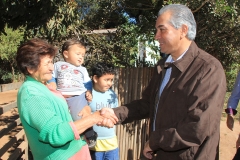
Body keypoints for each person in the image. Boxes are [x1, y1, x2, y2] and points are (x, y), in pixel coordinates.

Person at [100, 4, 226, 160]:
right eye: (156, 30)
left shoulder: (208, 69)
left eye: (162, 29)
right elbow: (147, 104)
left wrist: (155, 142)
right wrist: (116, 113)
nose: (156, 36)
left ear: (183, 30)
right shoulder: (163, 65)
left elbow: (197, 127)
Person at [15, 38, 112, 160]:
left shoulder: (45, 86)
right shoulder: (31, 93)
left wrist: (85, 108)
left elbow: (67, 117)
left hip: (77, 150)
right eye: (47, 64)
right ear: (30, 68)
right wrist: (94, 118)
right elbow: (57, 134)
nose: (51, 67)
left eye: (51, 62)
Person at [48, 38, 97, 148]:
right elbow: (52, 77)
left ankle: (90, 135)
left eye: (83, 55)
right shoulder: (57, 65)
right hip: (61, 97)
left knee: (81, 117)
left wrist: (89, 91)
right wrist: (52, 83)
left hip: (77, 96)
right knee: (63, 119)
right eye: (78, 54)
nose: (81, 57)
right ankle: (68, 139)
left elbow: (87, 82)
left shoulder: (82, 69)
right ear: (66, 54)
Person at [89, 62, 119, 160]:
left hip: (111, 143)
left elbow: (116, 114)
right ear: (95, 78)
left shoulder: (112, 95)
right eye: (106, 80)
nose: (110, 83)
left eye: (111, 80)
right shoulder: (88, 95)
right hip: (94, 144)